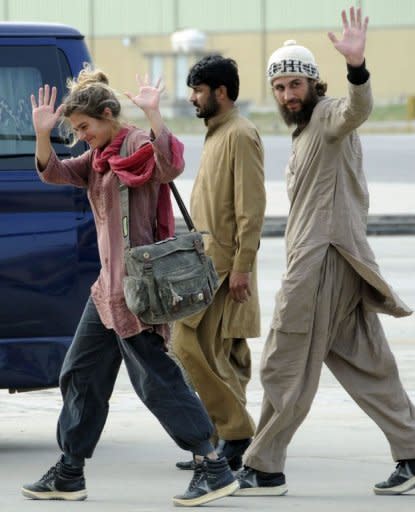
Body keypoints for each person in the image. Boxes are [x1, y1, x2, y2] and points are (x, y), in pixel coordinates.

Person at [20, 67, 239, 507]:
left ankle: (212, 466)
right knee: (80, 374)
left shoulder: (136, 145)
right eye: (76, 131)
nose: (82, 138)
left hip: (139, 291)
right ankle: (70, 472)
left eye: (86, 128)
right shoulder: (98, 159)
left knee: (156, 380)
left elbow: (170, 164)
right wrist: (43, 135)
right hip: (107, 291)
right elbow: (55, 173)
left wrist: (155, 115)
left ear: (108, 115)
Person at [235, 6, 415, 497]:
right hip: (330, 264)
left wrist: (357, 68)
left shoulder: (330, 117)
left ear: (314, 84)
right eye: (279, 87)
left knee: (283, 363)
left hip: (322, 265)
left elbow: (357, 109)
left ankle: (264, 468)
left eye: (295, 84)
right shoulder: (303, 132)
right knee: (369, 365)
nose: (287, 95)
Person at [172, 55, 266, 472]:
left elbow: (251, 208)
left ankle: (236, 432)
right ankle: (218, 443)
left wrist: (243, 266)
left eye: (197, 90)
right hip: (207, 263)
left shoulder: (241, 135)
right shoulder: (216, 134)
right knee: (223, 357)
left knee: (186, 345)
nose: (192, 98)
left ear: (221, 92)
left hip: (225, 269)